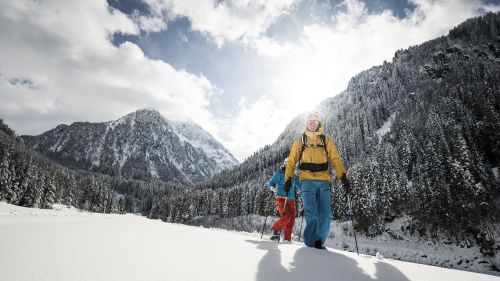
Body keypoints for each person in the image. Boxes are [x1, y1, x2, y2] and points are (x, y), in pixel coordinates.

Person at [283, 111, 350, 249]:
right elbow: (291, 162)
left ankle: (320, 241)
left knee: (326, 214)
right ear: (306, 124)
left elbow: (336, 159)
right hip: (306, 180)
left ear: (318, 122)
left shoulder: (326, 140)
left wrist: (343, 176)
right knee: (311, 214)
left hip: (323, 180)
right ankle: (310, 244)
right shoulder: (300, 141)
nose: (312, 123)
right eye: (309, 121)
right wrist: (288, 179)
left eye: (314, 120)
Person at [268, 158, 300, 243]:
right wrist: (272, 187)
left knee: (291, 220)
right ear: (285, 164)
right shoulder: (280, 173)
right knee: (287, 217)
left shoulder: (294, 176)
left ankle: (287, 239)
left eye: (292, 165)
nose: (291, 166)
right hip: (281, 198)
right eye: (289, 164)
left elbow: (300, 185)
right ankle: (275, 228)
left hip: (291, 200)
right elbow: (271, 182)